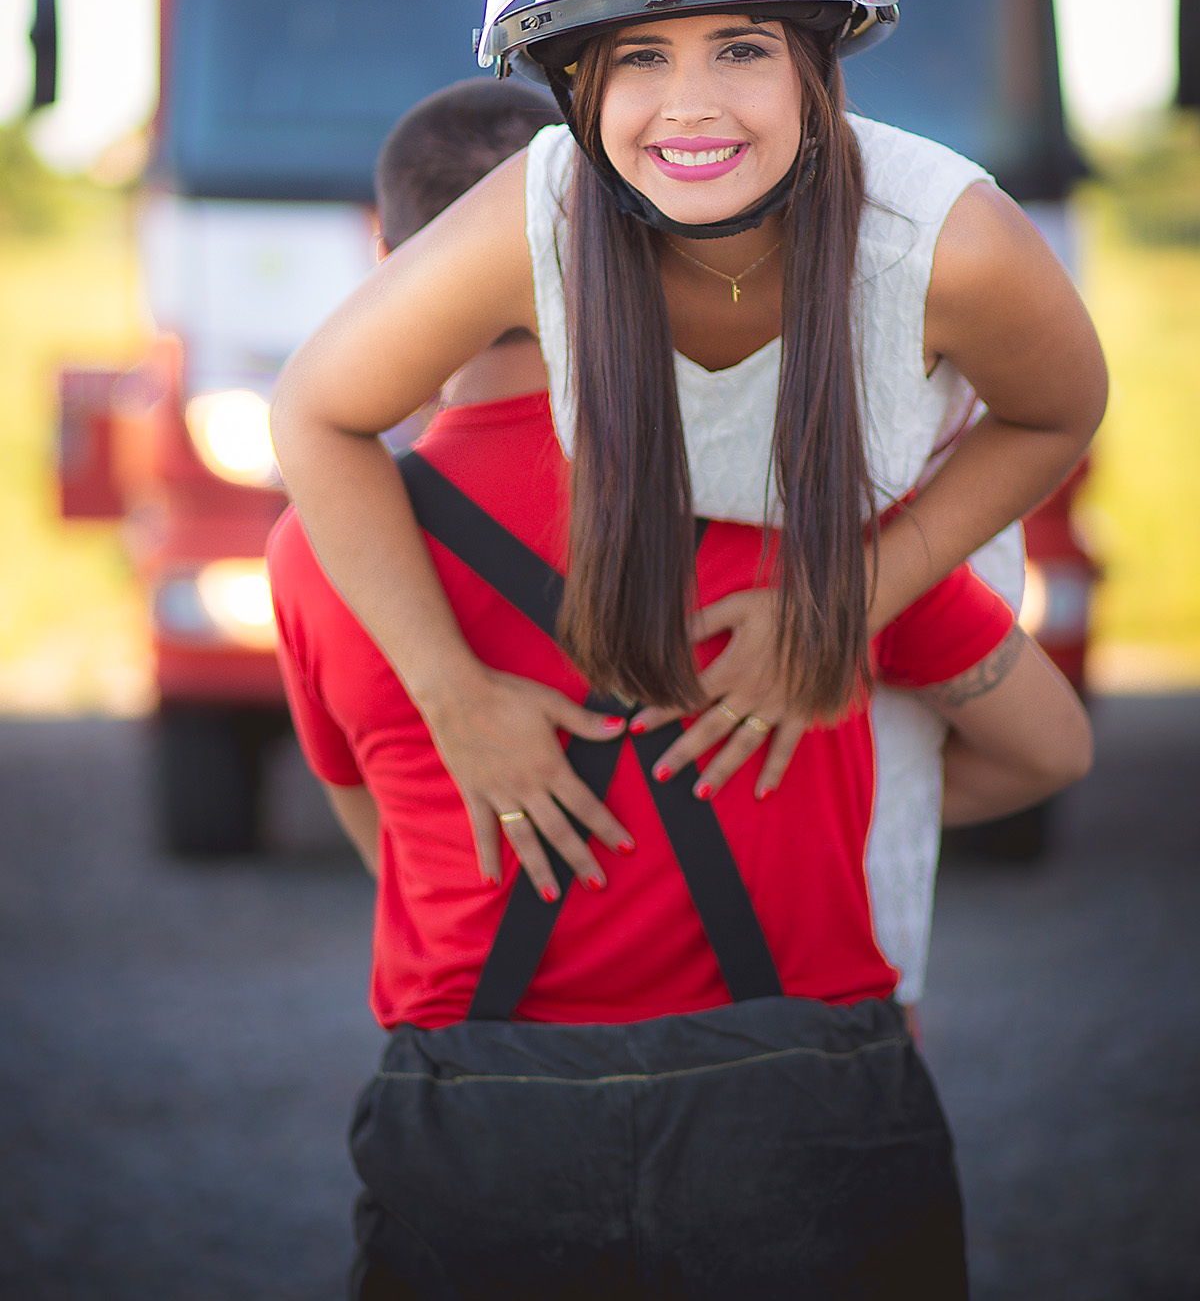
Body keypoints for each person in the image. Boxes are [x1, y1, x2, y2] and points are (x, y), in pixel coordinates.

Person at [268, 66, 1092, 1297]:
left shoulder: (318, 552)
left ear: (389, 263)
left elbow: (381, 829)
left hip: (477, 1115)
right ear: (616, 233)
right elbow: (1049, 752)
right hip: (804, 1097)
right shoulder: (781, 499)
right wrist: (831, 781)